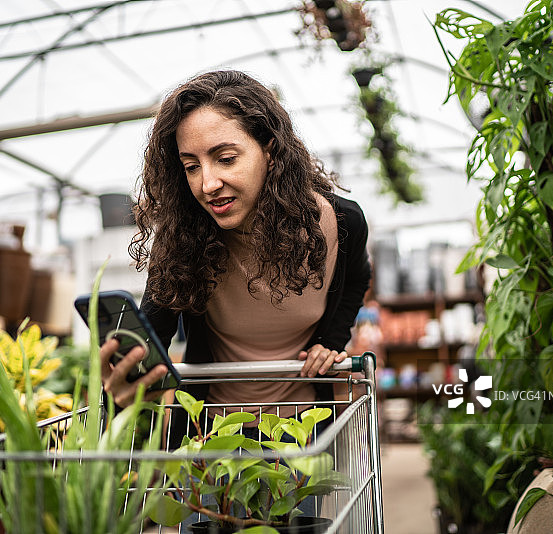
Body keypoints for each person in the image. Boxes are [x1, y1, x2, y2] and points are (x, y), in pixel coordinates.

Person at [100, 70, 370, 433]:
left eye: (226, 159)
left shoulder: (340, 224)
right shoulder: (184, 238)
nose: (207, 184)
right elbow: (153, 335)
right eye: (191, 167)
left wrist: (330, 341)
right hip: (210, 433)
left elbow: (357, 278)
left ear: (270, 152)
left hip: (306, 427)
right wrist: (124, 389)